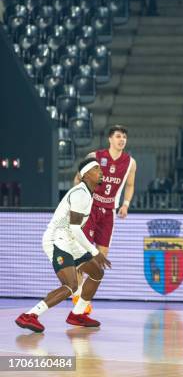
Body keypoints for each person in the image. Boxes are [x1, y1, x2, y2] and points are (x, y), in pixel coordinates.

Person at [15, 158, 111, 333]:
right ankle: (29, 315)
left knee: (97, 272)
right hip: (57, 240)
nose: (101, 171)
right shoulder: (80, 193)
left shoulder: (88, 193)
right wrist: (94, 251)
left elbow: (74, 230)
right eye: (96, 168)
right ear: (85, 175)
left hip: (70, 240)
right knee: (71, 285)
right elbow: (74, 228)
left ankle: (77, 314)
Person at [73, 125, 137, 313]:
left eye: (124, 136)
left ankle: (83, 298)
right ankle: (78, 295)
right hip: (91, 208)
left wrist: (125, 204)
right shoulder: (95, 156)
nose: (122, 139)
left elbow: (130, 185)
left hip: (109, 212)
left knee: (100, 260)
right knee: (81, 253)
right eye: (118, 136)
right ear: (110, 139)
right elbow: (78, 179)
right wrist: (78, 199)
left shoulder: (130, 163)